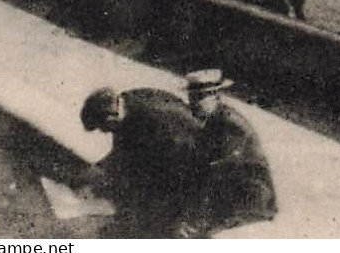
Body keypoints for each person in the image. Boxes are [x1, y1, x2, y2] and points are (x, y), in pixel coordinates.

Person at [79, 85, 203, 237]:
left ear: (110, 120)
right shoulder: (125, 102)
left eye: (103, 128)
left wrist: (181, 217)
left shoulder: (153, 120)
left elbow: (180, 171)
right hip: (172, 157)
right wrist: (98, 170)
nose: (105, 132)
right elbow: (123, 149)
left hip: (191, 168)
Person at [180, 69, 277, 236]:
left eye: (199, 98)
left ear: (216, 96)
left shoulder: (230, 125)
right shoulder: (212, 120)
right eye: (191, 97)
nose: (192, 104)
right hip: (231, 195)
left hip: (250, 202)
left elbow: (218, 170)